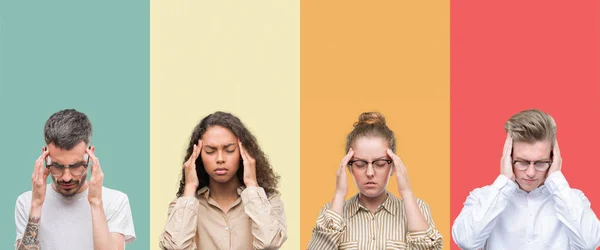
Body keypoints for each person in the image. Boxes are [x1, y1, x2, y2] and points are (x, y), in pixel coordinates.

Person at [452, 109, 600, 249]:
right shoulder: (482, 198)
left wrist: (556, 180)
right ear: (508, 158)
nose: (530, 172)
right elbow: (467, 242)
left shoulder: (573, 199)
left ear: (553, 159)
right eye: (522, 162)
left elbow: (589, 244)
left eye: (541, 163)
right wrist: (504, 180)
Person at [307, 112, 443, 250]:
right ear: (349, 166)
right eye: (360, 164)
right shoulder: (331, 212)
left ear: (393, 166)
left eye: (380, 163)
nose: (370, 173)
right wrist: (339, 194)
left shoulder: (418, 209)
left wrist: (407, 193)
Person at [159, 111, 287, 249]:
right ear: (198, 156)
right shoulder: (182, 206)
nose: (220, 159)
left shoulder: (268, 203)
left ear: (243, 152)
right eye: (210, 151)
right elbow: (176, 247)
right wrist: (190, 187)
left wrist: (252, 184)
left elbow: (270, 243)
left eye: (230, 150)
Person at [14, 109, 136, 250]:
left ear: (90, 156)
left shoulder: (116, 201)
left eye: (76, 166)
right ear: (46, 157)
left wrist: (96, 202)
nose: (66, 177)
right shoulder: (26, 202)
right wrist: (36, 204)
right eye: (58, 166)